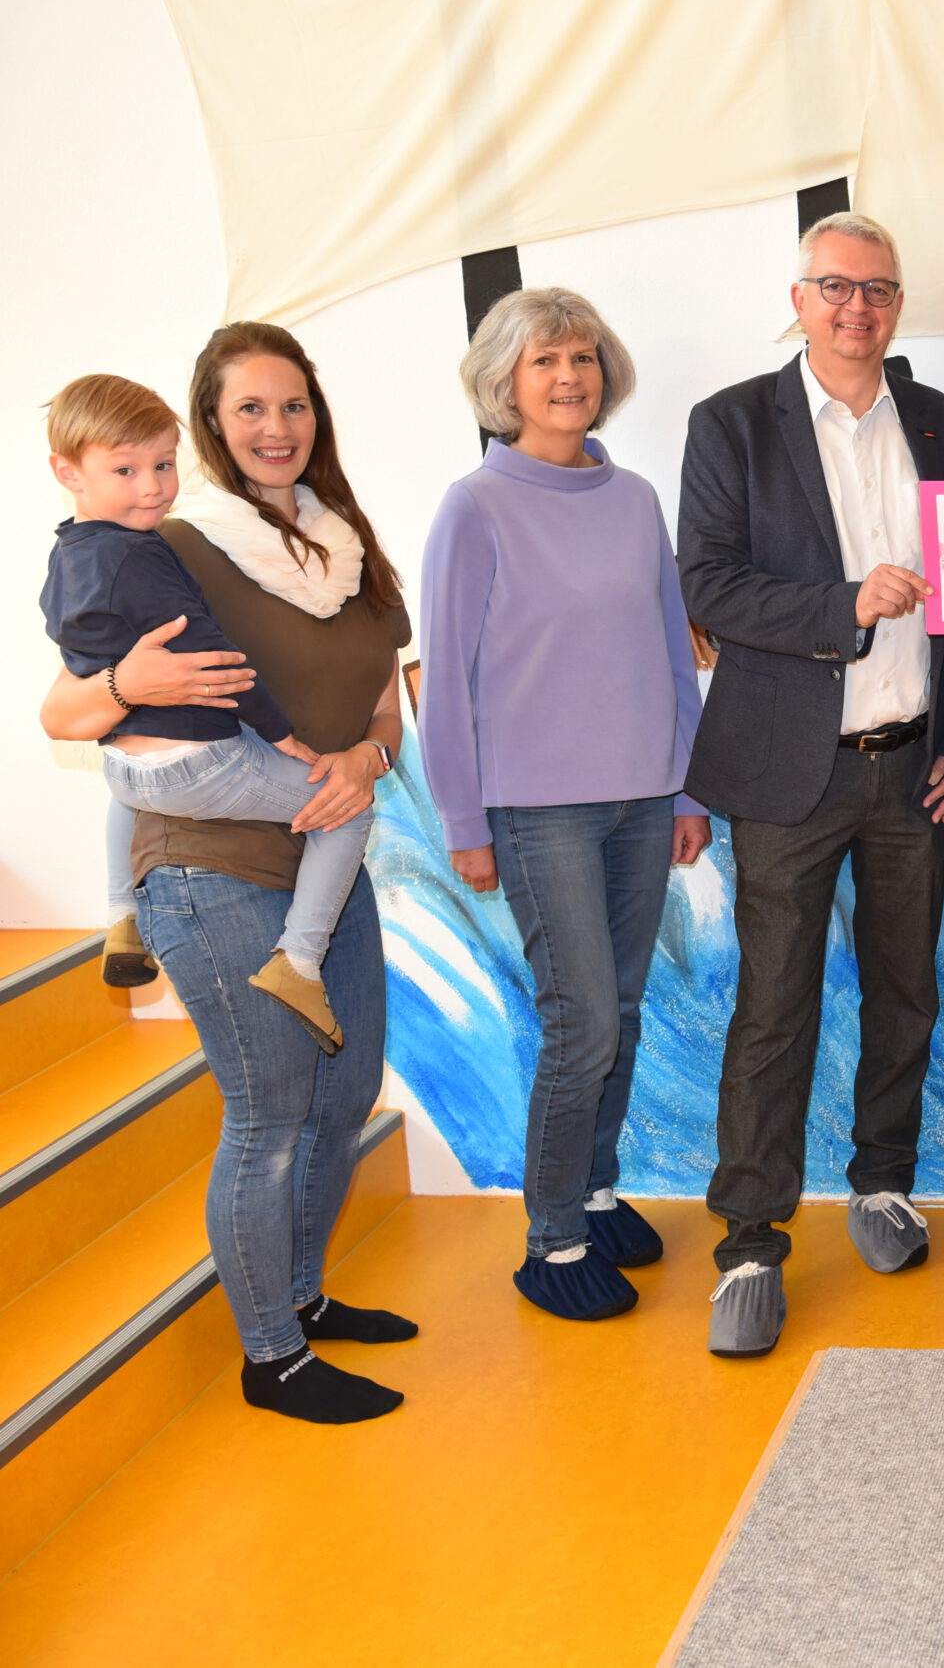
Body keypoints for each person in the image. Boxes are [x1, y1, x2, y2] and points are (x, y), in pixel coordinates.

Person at [39, 322, 414, 1424]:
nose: (275, 426)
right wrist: (128, 682)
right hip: (214, 866)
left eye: (292, 404)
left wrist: (369, 756)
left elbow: (387, 702)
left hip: (325, 853)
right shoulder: (175, 537)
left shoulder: (344, 541)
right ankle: (271, 1357)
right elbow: (64, 712)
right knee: (271, 1110)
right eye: (249, 406)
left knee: (346, 1090)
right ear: (212, 421)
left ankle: (298, 1293)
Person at [677, 212, 944, 1359]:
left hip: (919, 765)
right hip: (787, 770)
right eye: (835, 286)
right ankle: (750, 1240)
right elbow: (709, 584)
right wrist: (842, 605)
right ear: (799, 299)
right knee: (775, 1005)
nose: (856, 306)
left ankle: (882, 1183)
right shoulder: (730, 423)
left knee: (905, 989)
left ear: (897, 304)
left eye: (877, 288)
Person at [419, 288, 709, 1321]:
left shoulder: (633, 498)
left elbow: (672, 651)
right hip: (537, 812)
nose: (568, 376)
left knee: (619, 1013)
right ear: (505, 381)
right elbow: (444, 680)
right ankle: (552, 1240)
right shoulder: (475, 507)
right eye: (544, 360)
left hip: (643, 799)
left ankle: (593, 1189)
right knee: (579, 1020)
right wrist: (463, 821)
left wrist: (686, 785)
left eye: (582, 356)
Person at [40, 374, 361, 1044]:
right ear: (67, 472)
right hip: (198, 765)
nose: (153, 487)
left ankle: (121, 915)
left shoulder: (69, 552)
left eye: (163, 465)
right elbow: (218, 662)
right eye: (125, 470)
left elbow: (66, 638)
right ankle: (300, 962)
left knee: (124, 796)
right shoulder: (143, 553)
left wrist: (116, 682)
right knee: (348, 810)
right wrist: (281, 733)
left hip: (128, 770)